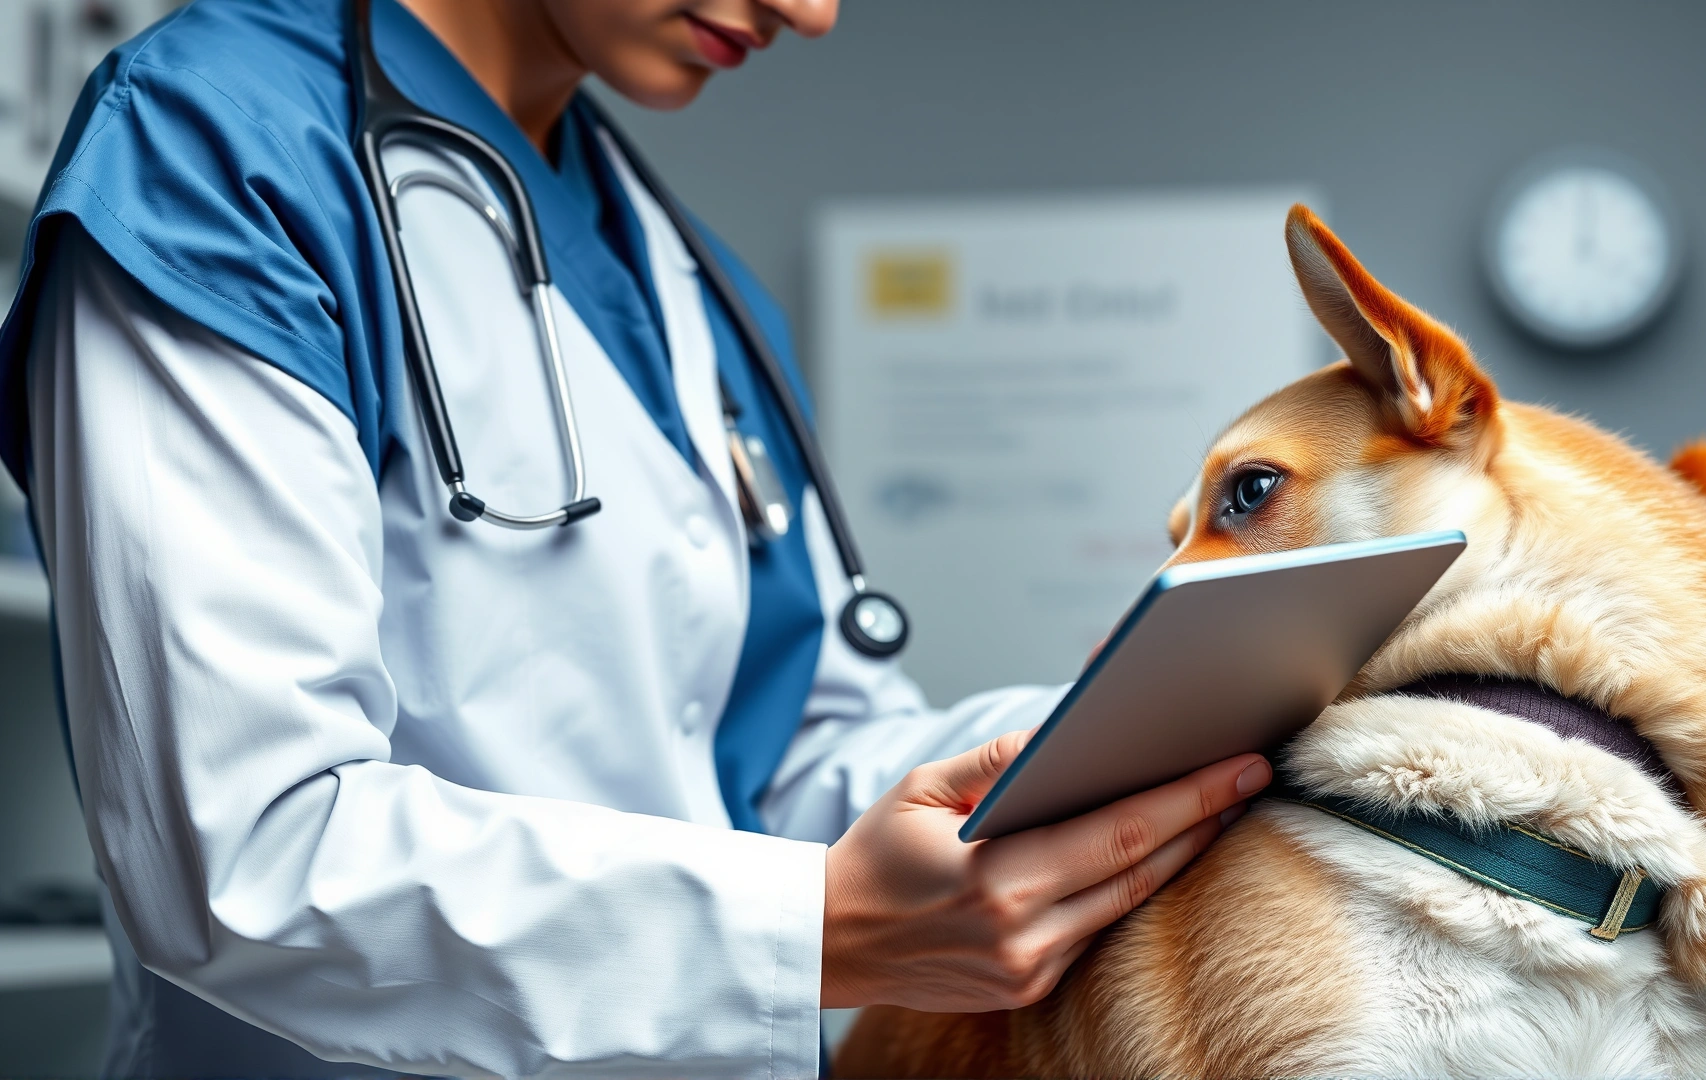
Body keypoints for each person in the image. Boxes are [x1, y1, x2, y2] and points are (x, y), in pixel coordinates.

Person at [0, 0, 1271, 1076]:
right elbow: (248, 850)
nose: (813, 12)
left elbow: (787, 762)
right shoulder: (220, 145)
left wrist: (1104, 735)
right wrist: (808, 928)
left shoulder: (689, 282)